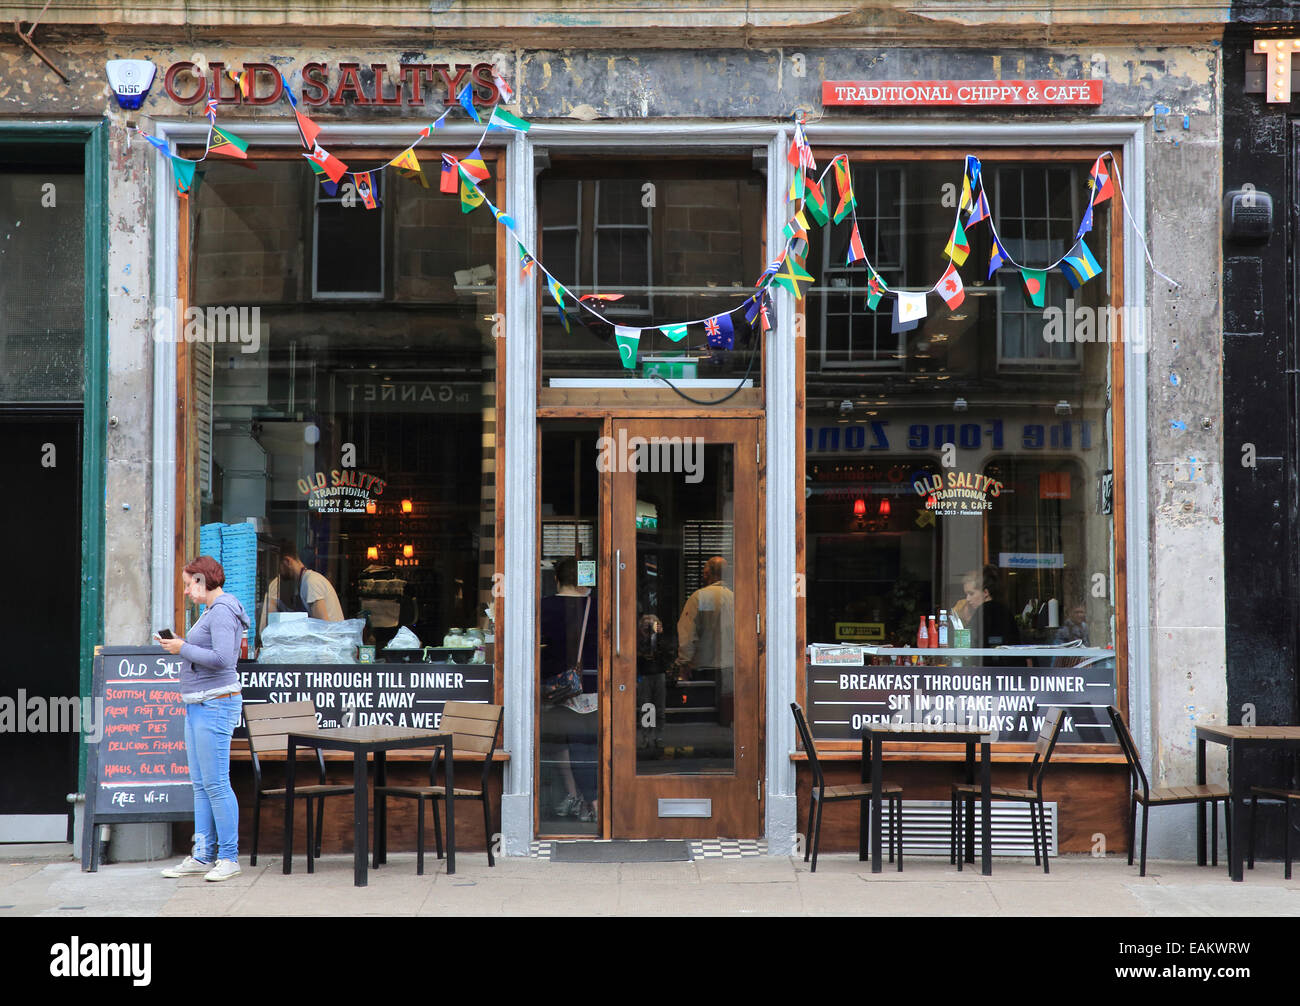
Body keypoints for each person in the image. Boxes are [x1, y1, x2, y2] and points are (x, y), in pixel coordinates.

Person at [158, 556, 250, 882]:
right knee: (201, 784)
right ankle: (202, 854)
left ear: (201, 579)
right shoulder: (211, 612)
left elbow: (224, 659)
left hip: (215, 705)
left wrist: (181, 647)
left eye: (188, 584)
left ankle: (228, 857)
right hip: (200, 705)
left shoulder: (222, 611)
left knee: (216, 783)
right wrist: (182, 645)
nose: (186, 592)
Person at [538, 557, 599, 823]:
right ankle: (591, 802)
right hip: (593, 685)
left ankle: (581, 799)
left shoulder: (543, 607)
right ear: (585, 581)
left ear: (557, 579)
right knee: (584, 745)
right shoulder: (597, 607)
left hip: (555, 687)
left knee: (563, 744)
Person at [675, 556, 736, 726]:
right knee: (726, 717)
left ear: (707, 573)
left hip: (703, 669)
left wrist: (684, 663)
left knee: (701, 719)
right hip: (731, 668)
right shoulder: (736, 599)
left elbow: (688, 633)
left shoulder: (699, 597)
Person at [258, 540, 344, 635]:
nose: (279, 572)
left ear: (287, 561)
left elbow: (322, 628)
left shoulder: (311, 582)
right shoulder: (304, 582)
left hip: (331, 646)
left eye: (279, 566)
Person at [962, 564, 1022, 667]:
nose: (967, 599)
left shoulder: (982, 614)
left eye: (971, 594)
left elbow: (968, 647)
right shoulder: (1005, 611)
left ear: (985, 592)